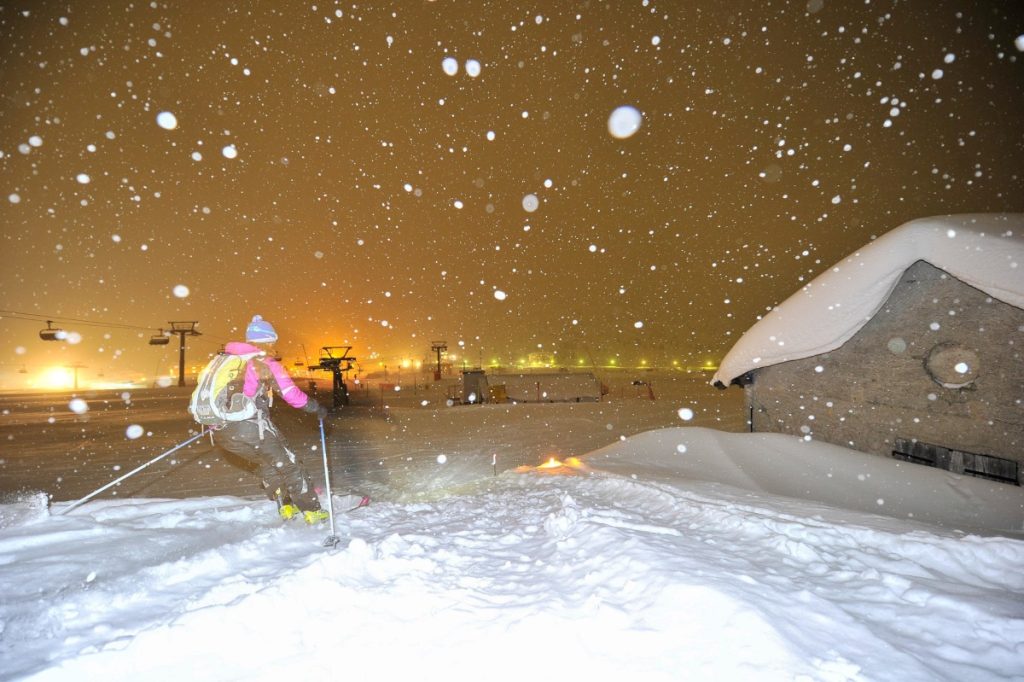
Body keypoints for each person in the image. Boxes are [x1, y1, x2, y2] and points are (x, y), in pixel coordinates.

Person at [214, 315, 330, 524]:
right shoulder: (263, 363)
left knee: (269, 462)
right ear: (269, 341)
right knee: (289, 464)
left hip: (221, 431)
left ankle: (285, 506)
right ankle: (311, 510)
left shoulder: (224, 362)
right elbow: (291, 395)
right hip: (251, 425)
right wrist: (315, 407)